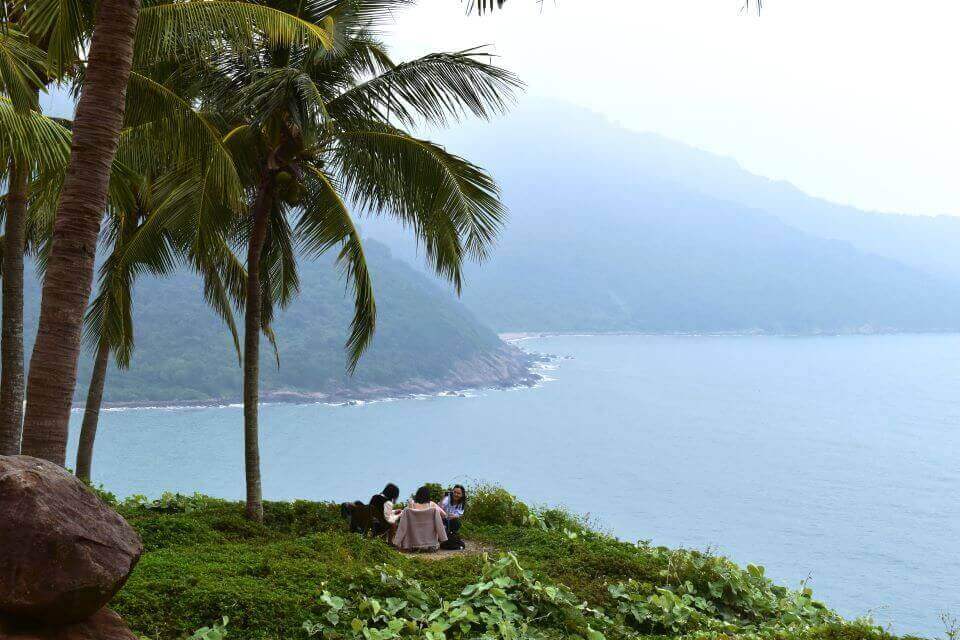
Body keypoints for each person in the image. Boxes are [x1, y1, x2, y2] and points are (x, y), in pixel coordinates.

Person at [393, 485, 448, 552]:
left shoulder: (411, 504)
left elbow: (403, 524)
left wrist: (396, 542)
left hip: (412, 545)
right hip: (430, 545)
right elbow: (444, 515)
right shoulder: (432, 505)